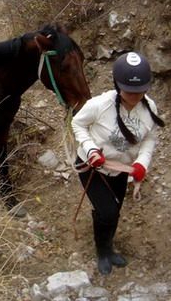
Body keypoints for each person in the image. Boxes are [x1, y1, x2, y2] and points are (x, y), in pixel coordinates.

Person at [71, 52, 165, 275]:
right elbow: (78, 124)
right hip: (92, 167)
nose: (135, 95)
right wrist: (91, 149)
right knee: (108, 212)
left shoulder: (149, 108)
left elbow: (149, 139)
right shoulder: (99, 105)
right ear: (117, 84)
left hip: (122, 170)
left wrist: (142, 163)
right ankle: (102, 251)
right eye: (129, 90)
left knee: (115, 211)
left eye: (140, 90)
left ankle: (108, 246)